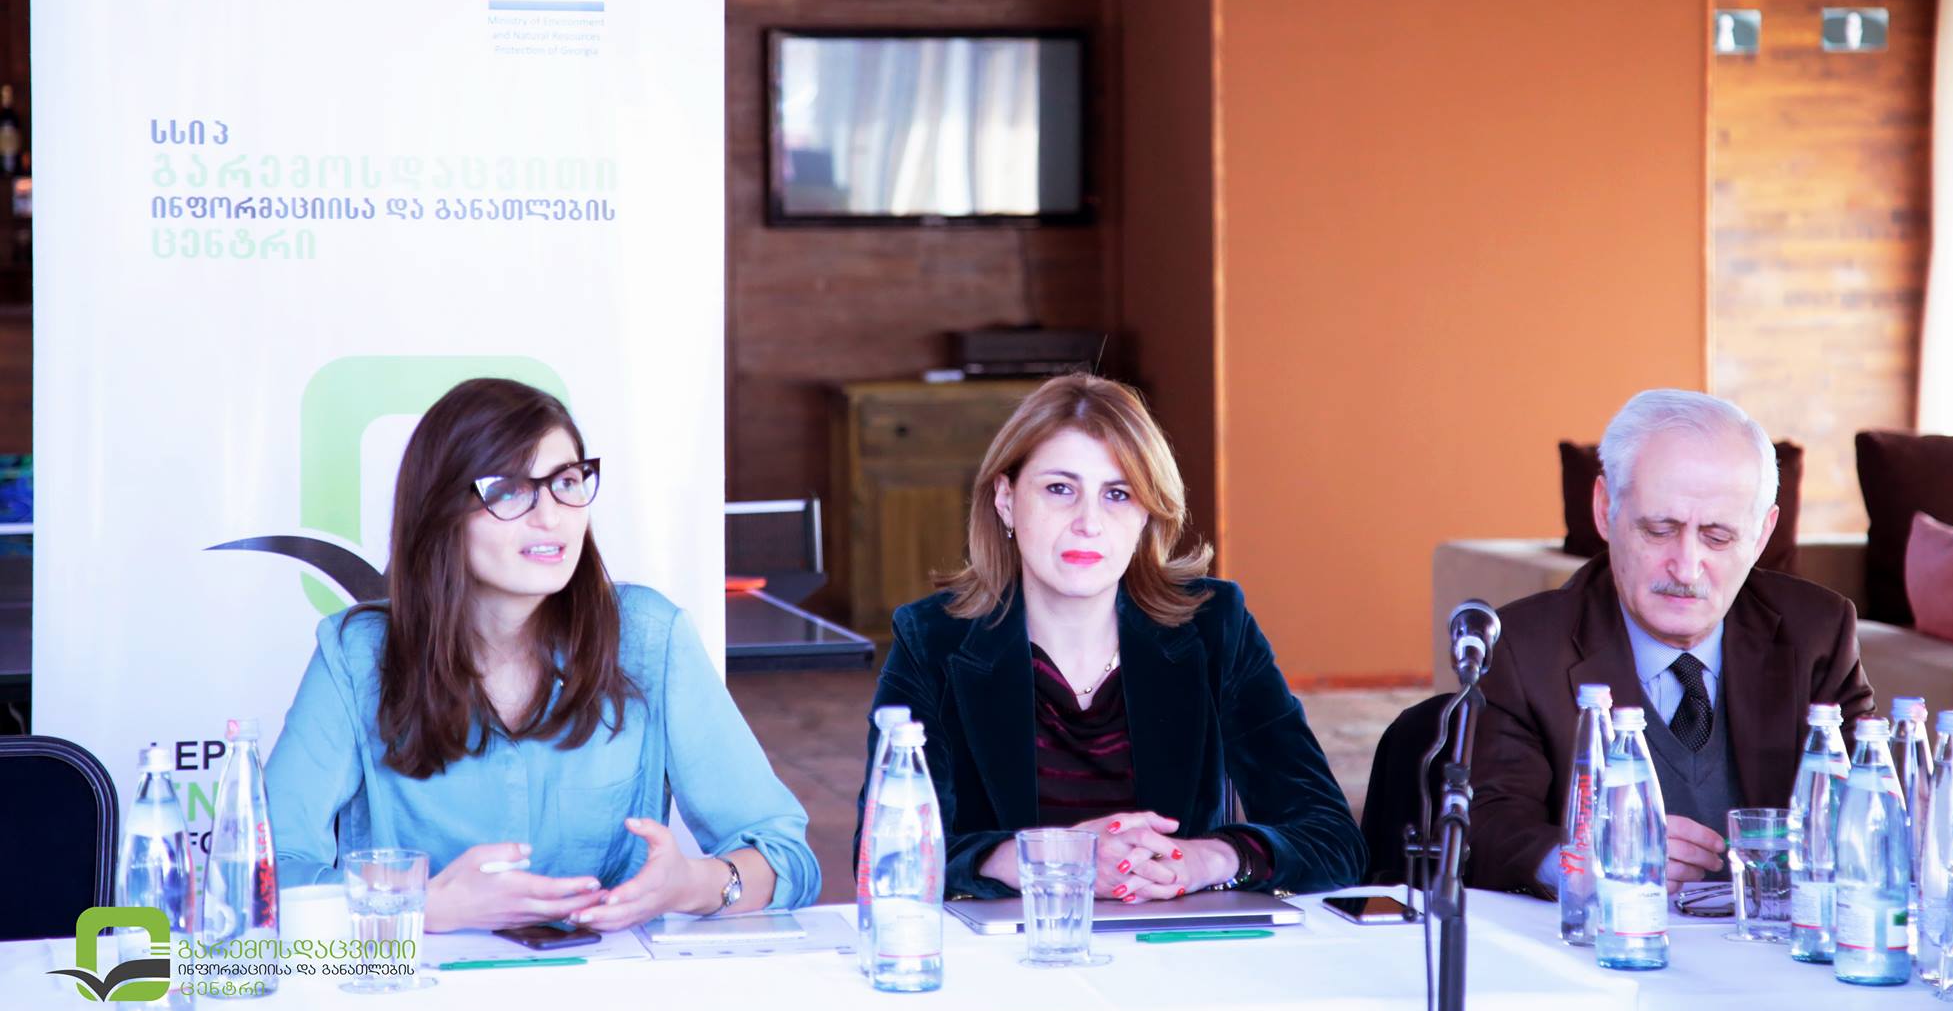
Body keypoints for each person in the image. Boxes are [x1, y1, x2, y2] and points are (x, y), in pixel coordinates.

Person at [267, 377, 819, 930]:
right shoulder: (358, 654)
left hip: (610, 978)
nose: (551, 517)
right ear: (438, 511)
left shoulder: (649, 636)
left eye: (567, 482)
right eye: (509, 490)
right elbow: (263, 873)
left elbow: (786, 857)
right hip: (416, 981)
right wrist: (425, 904)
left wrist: (689, 885)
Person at [856, 373, 1364, 900]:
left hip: (1176, 939)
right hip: (1011, 943)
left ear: (1146, 514)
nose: (1089, 522)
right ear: (1006, 500)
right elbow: (885, 858)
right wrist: (1046, 858)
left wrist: (1207, 859)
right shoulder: (932, 640)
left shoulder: (1215, 626)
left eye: (1118, 494)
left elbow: (1333, 841)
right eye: (1060, 489)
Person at [1468, 388, 1874, 896]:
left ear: (1762, 534)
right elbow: (1487, 828)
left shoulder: (1818, 633)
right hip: (1607, 938)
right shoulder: (1524, 648)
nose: (1686, 568)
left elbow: (1870, 810)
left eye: (1718, 537)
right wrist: (1587, 863)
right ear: (1604, 509)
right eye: (1659, 530)